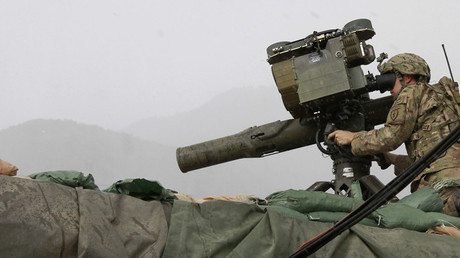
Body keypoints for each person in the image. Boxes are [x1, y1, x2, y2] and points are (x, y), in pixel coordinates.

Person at [328, 53, 460, 216]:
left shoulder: (412, 92)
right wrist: (391, 159)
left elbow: (390, 136)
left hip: (441, 189)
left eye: (390, 80)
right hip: (453, 183)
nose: (388, 90)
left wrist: (353, 138)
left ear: (408, 77)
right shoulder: (444, 102)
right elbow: (431, 160)